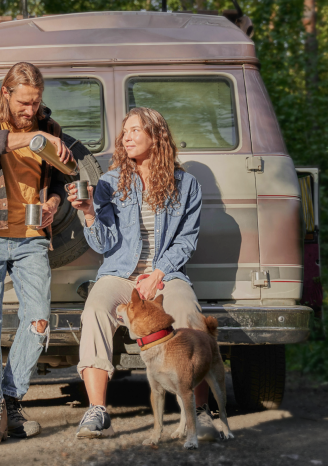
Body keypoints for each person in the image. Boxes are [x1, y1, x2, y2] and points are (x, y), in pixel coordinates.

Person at [67, 107, 219, 441]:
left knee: (188, 313)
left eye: (136, 130)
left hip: (166, 273)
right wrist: (90, 213)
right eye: (125, 132)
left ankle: (201, 411)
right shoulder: (109, 183)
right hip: (120, 273)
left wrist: (159, 273)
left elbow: (186, 239)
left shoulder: (186, 185)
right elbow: (104, 242)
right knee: (94, 310)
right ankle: (97, 410)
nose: (127, 137)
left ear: (156, 135)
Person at [0, 62, 74, 445]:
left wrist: (54, 201)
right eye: (24, 103)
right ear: (6, 93)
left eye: (36, 102)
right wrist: (31, 137)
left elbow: (60, 176)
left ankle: (9, 398)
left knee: (39, 318)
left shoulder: (49, 127)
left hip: (31, 235)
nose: (31, 111)